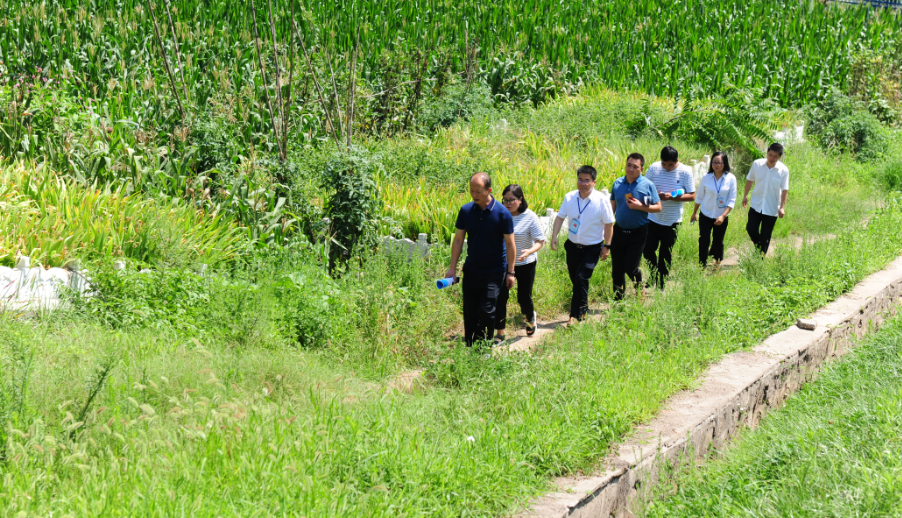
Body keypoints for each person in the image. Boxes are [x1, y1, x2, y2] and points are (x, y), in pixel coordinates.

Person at [446, 173, 516, 347]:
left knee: (487, 310)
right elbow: (458, 240)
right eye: (471, 190)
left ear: (489, 190)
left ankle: (484, 347)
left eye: (478, 191)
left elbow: (510, 244)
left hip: (495, 271)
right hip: (471, 270)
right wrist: (452, 268)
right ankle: (471, 348)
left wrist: (511, 272)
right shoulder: (466, 211)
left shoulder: (502, 214)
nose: (474, 195)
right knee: (470, 312)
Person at [550, 165, 615, 325]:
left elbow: (608, 224)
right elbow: (560, 217)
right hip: (572, 246)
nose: (583, 183)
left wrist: (607, 246)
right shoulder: (570, 197)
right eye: (580, 179)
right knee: (577, 280)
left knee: (580, 279)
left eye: (587, 180)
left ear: (594, 182)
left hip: (592, 248)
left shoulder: (601, 200)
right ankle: (583, 308)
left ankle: (575, 316)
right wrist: (554, 235)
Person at [494, 185, 546, 342]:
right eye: (505, 200)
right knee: (501, 297)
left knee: (523, 297)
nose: (508, 204)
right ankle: (500, 333)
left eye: (512, 200)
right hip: (503, 263)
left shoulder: (530, 217)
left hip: (525, 263)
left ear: (520, 199)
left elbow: (540, 240)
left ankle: (530, 318)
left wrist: (530, 251)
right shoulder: (500, 216)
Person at [609, 153, 662, 300]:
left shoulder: (647, 185)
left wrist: (641, 206)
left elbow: (658, 207)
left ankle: (639, 286)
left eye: (635, 167)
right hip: (618, 230)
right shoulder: (617, 183)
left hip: (639, 232)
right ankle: (617, 300)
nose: (631, 169)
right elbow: (612, 208)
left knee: (630, 267)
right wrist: (606, 227)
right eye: (629, 165)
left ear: (642, 169)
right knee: (617, 269)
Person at [643, 146, 696, 290]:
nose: (666, 168)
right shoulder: (654, 168)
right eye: (664, 164)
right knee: (647, 250)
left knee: (665, 253)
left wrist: (673, 197)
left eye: (670, 165)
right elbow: (644, 188)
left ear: (677, 161)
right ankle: (653, 274)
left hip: (672, 221)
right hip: (652, 218)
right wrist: (656, 195)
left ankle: (662, 283)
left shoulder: (685, 171)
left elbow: (692, 195)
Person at [690, 151, 737, 269]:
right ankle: (702, 265)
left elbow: (732, 200)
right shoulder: (706, 178)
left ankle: (717, 263)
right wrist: (694, 212)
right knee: (704, 239)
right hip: (706, 214)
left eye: (719, 163)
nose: (716, 165)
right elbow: (700, 196)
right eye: (714, 162)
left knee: (718, 240)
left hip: (721, 215)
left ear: (724, 163)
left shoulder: (731, 179)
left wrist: (723, 216)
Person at [742, 143, 789, 255]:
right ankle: (759, 246)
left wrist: (782, 207)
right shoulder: (757, 164)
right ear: (767, 152)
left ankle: (760, 259)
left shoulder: (783, 170)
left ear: (780, 157)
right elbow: (750, 180)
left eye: (775, 156)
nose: (771, 158)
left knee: (766, 235)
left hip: (772, 207)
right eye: (770, 155)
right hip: (756, 204)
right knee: (750, 228)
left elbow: (785, 189)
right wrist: (745, 196)